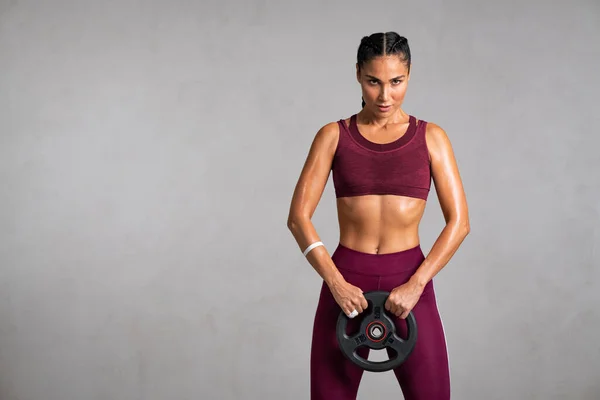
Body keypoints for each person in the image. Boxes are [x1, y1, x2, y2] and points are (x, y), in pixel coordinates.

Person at [286, 32, 470, 400]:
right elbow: (298, 218)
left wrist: (417, 284)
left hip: (410, 280)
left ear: (409, 75)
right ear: (358, 74)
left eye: (395, 82)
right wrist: (336, 283)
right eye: (373, 82)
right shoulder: (332, 136)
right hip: (346, 280)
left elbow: (459, 223)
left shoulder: (431, 137)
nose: (385, 96)